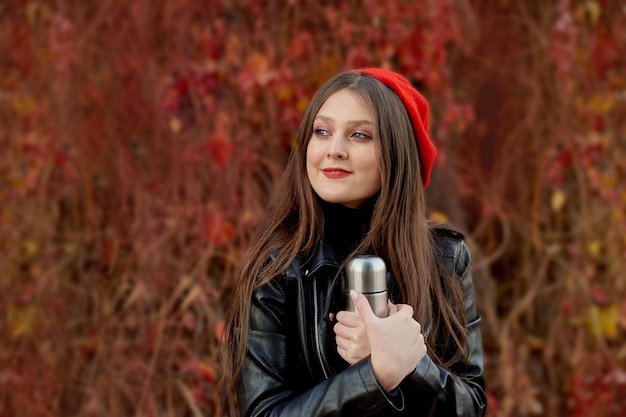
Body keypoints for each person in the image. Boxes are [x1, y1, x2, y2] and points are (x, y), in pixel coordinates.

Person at [223, 68, 487, 416]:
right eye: (322, 131)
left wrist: (413, 366)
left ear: (396, 153)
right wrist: (376, 373)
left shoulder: (445, 257)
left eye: (359, 135)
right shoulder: (276, 266)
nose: (334, 150)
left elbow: (472, 406)